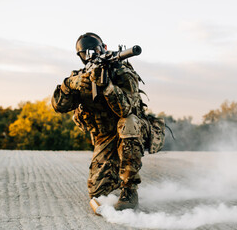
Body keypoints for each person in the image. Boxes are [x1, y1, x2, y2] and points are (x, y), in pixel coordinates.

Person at [51, 32, 164, 211]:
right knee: (97, 192)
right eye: (85, 54)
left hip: (132, 129)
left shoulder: (122, 72)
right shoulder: (80, 77)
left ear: (104, 48)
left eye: (95, 50)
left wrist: (107, 87)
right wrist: (69, 84)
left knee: (127, 122)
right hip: (106, 137)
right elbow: (58, 106)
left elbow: (126, 110)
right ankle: (118, 173)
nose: (91, 55)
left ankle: (129, 190)